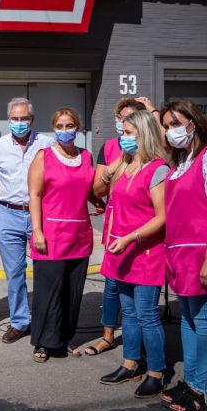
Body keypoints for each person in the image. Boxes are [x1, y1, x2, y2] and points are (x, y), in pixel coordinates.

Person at [159, 100, 207, 411]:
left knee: (203, 321)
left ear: (194, 122)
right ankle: (191, 382)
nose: (170, 131)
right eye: (166, 126)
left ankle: (201, 390)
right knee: (189, 321)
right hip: (179, 254)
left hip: (201, 254)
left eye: (175, 123)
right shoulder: (180, 163)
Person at [94, 110, 170, 398]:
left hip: (145, 251)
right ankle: (130, 364)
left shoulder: (158, 169)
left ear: (144, 134)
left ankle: (157, 372)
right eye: (122, 133)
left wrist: (130, 238)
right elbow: (105, 192)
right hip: (121, 250)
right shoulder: (125, 166)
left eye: (128, 134)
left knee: (147, 314)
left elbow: (162, 216)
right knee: (129, 312)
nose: (122, 139)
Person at [28, 108, 104, 362]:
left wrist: (97, 200)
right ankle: (44, 342)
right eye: (59, 126)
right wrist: (37, 231)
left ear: (78, 128)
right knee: (49, 292)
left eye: (69, 125)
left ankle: (65, 337)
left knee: (72, 292)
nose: (64, 130)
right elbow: (35, 195)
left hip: (79, 234)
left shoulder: (85, 156)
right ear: (53, 129)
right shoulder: (44, 157)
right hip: (50, 234)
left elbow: (87, 186)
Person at [87, 97, 155, 356]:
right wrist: (118, 164)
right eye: (120, 119)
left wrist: (152, 109)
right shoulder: (110, 147)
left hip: (140, 224)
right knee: (113, 284)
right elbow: (97, 189)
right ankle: (108, 334)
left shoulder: (152, 149)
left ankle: (138, 342)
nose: (123, 125)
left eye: (129, 120)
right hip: (116, 221)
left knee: (138, 290)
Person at [0, 97, 53, 343]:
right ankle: (20, 321)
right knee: (14, 273)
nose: (20, 122)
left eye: (24, 118)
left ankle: (45, 321)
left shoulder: (47, 144)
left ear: (32, 120)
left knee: (44, 271)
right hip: (8, 214)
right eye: (15, 119)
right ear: (8, 120)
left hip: (40, 216)